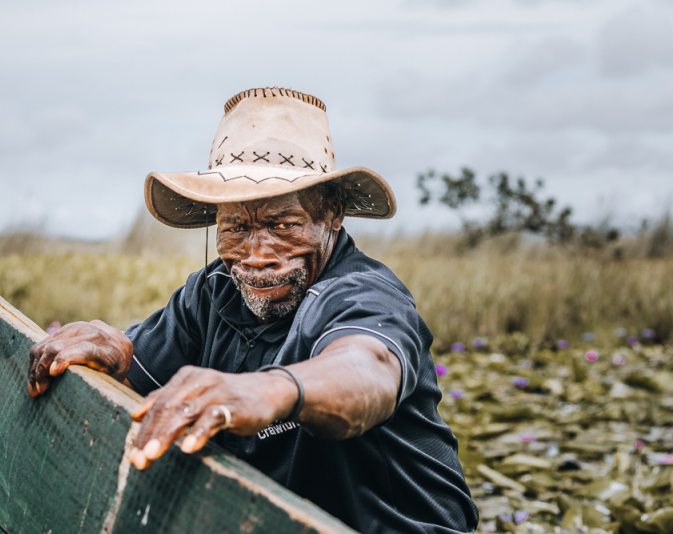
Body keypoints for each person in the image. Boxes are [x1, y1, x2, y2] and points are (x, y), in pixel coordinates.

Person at [27, 87, 479, 533]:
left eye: (282, 225)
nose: (257, 254)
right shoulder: (213, 292)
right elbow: (137, 382)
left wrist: (268, 392)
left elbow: (369, 369)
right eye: (236, 227)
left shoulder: (364, 295)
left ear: (333, 214)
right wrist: (115, 354)